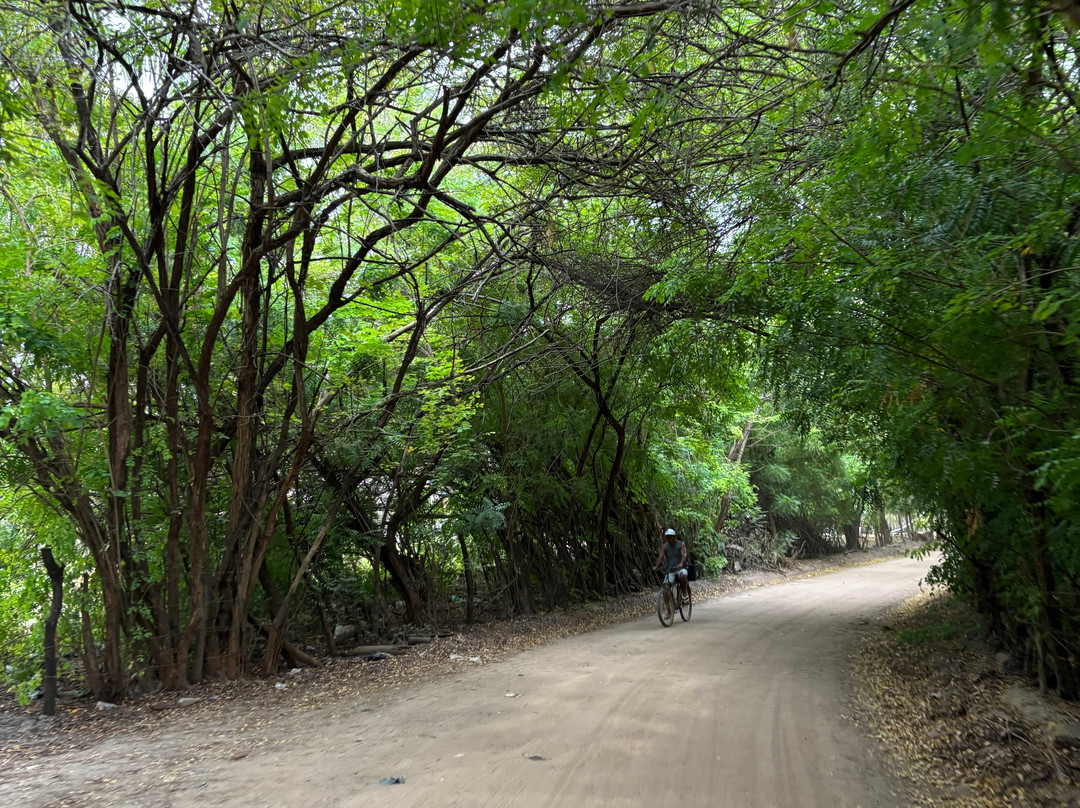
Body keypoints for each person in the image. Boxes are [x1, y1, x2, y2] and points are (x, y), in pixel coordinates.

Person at [652, 528, 689, 602]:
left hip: (681, 568)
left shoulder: (681, 544)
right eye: (667, 537)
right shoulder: (665, 546)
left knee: (682, 575)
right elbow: (661, 557)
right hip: (671, 569)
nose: (669, 539)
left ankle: (684, 592)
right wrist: (656, 566)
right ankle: (669, 610)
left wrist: (681, 563)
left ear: (674, 536)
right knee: (665, 588)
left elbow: (683, 555)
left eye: (671, 537)